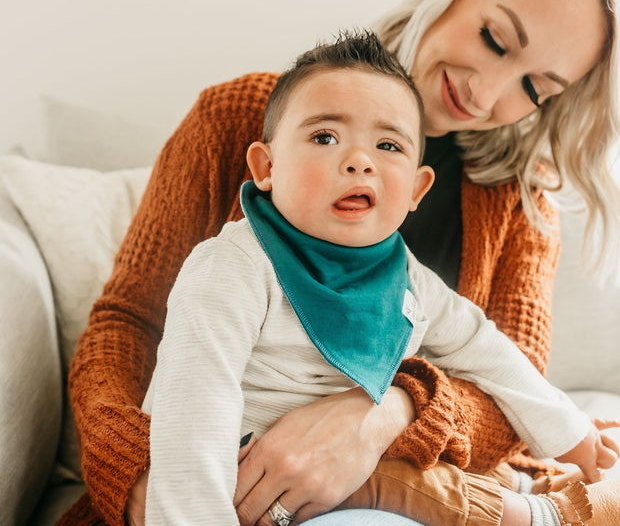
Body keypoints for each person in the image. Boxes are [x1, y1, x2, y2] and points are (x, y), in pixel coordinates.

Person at [59, 0, 620, 525]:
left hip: (414, 489)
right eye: (494, 39)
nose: (487, 93)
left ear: (418, 188)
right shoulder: (233, 127)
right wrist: (146, 481)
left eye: (535, 88)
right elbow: (128, 324)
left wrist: (381, 416)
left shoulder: (517, 202)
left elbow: (503, 383)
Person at [142, 30, 618, 526]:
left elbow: (487, 350)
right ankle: (550, 517)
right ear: (266, 166)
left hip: (344, 469)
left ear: (417, 189)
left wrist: (572, 432)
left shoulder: (407, 277)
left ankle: (526, 484)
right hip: (250, 479)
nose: (358, 160)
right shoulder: (232, 268)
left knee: (409, 457)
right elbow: (192, 419)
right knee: (405, 478)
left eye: (387, 144)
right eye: (325, 137)